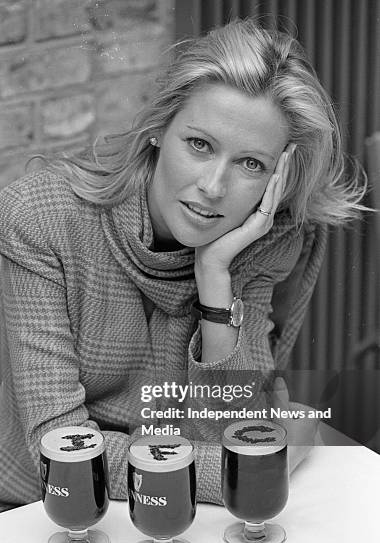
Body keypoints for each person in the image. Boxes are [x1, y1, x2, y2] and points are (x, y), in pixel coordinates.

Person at [0, 18, 366, 511]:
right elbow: (63, 454)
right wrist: (264, 458)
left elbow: (228, 426)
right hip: (36, 517)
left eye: (250, 164)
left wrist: (215, 278)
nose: (213, 186)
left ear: (277, 176)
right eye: (200, 145)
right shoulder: (41, 219)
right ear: (158, 129)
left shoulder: (263, 241)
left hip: (190, 517)